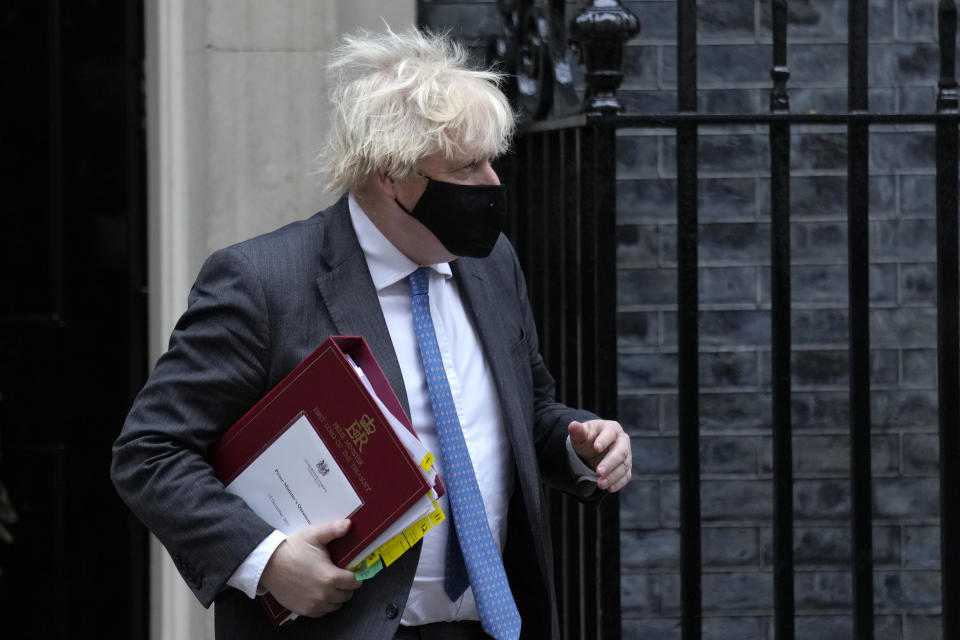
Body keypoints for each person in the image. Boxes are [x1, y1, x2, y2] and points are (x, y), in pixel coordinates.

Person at [111, 26, 632, 640]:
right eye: (468, 166)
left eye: (493, 159)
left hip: (489, 626)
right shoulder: (262, 282)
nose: (493, 183)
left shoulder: (491, 265)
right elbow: (150, 453)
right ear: (390, 174)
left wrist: (580, 445)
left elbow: (531, 408)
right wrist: (267, 559)